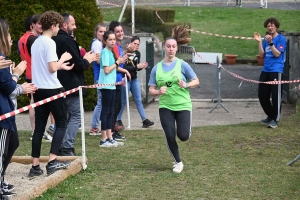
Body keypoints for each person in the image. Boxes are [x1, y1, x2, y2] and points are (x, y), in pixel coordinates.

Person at [29, 11, 74, 177]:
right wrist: (62, 59)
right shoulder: (49, 43)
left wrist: (60, 66)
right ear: (53, 26)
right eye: (58, 26)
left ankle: (35, 166)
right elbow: (51, 67)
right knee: (62, 121)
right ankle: (52, 161)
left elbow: (44, 66)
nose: (59, 29)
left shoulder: (36, 42)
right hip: (51, 89)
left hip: (38, 88)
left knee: (39, 127)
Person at [148, 37, 199, 173]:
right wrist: (158, 91)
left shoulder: (182, 65)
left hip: (182, 104)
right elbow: (151, 90)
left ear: (176, 49)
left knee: (183, 136)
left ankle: (185, 129)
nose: (171, 49)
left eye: (173, 46)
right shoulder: (156, 69)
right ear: (164, 47)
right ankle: (178, 162)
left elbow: (196, 81)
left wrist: (186, 84)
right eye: (168, 46)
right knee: (169, 135)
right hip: (165, 106)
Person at [52, 13, 97, 156]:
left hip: (57, 84)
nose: (75, 27)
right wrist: (87, 60)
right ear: (64, 25)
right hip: (71, 84)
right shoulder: (67, 40)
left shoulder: (51, 39)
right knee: (76, 116)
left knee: (63, 118)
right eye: (73, 24)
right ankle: (67, 146)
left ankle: (59, 147)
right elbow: (77, 64)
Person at [0, 18, 27, 198]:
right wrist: (17, 74)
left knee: (13, 144)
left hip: (7, 111)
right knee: (1, 151)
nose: (11, 38)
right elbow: (7, 86)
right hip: (2, 113)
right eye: (8, 34)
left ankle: (1, 181)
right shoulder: (1, 60)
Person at [19, 15, 53, 142]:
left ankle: (35, 131)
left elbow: (23, 58)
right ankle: (37, 131)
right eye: (39, 24)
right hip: (36, 74)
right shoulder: (34, 39)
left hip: (29, 73)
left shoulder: (22, 38)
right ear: (32, 25)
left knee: (33, 102)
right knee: (37, 103)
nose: (42, 26)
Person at [254, 17, 286, 128]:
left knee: (276, 96)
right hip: (265, 70)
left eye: (272, 25)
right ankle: (270, 115)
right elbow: (262, 54)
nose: (270, 27)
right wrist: (259, 42)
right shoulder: (265, 40)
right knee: (262, 95)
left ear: (276, 26)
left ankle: (275, 119)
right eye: (268, 26)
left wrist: (271, 43)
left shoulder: (281, 39)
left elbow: (277, 54)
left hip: (276, 70)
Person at [117, 36, 154, 128]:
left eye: (138, 44)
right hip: (125, 79)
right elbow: (124, 67)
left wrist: (141, 66)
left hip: (134, 79)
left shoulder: (138, 54)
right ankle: (118, 119)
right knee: (123, 101)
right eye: (135, 43)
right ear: (130, 43)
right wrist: (137, 67)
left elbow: (136, 68)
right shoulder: (125, 53)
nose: (136, 46)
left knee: (138, 99)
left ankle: (144, 120)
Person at [99, 31, 126, 147]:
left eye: (114, 39)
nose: (113, 41)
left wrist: (120, 61)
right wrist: (117, 62)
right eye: (110, 39)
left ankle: (110, 136)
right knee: (105, 111)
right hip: (105, 85)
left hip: (112, 85)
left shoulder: (111, 52)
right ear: (105, 41)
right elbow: (107, 70)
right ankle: (103, 138)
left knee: (111, 111)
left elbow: (114, 67)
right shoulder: (105, 52)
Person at [108, 21, 132, 141]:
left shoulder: (119, 46)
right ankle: (110, 132)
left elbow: (121, 61)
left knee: (117, 107)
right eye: (117, 31)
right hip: (114, 81)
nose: (121, 33)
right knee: (113, 108)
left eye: (121, 31)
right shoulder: (114, 47)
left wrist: (127, 52)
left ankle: (113, 131)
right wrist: (126, 72)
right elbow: (115, 65)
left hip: (119, 81)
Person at [90, 23, 107, 136]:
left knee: (102, 102)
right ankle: (94, 126)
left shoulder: (100, 44)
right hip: (99, 76)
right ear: (96, 32)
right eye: (100, 31)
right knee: (100, 102)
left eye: (104, 32)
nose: (102, 34)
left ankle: (97, 125)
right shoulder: (97, 44)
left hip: (102, 76)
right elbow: (98, 60)